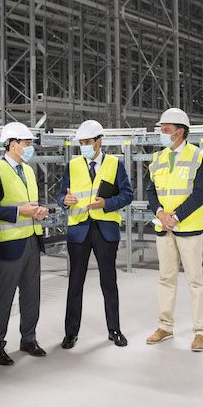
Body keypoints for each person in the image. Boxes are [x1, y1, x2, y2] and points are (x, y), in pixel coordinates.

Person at [56, 120, 134, 349]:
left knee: (109, 282)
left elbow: (127, 195)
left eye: (88, 142)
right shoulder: (72, 165)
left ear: (99, 141)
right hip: (78, 230)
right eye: (81, 143)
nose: (84, 146)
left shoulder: (115, 164)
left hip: (105, 230)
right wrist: (64, 201)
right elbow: (62, 196)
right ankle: (71, 333)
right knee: (75, 283)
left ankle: (114, 330)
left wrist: (106, 203)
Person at [0, 122, 49, 365]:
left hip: (31, 239)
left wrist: (38, 211)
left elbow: (29, 203)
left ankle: (28, 338)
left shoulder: (28, 170)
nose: (30, 148)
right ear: (12, 144)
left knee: (32, 294)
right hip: (9, 245)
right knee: (5, 297)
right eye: (26, 143)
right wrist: (20, 211)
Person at [145, 108, 203, 352]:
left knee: (195, 281)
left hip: (188, 228)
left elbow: (200, 193)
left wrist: (177, 215)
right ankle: (165, 327)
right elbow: (151, 191)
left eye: (166, 129)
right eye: (161, 129)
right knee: (166, 278)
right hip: (164, 227)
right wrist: (160, 214)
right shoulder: (157, 158)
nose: (162, 133)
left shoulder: (199, 156)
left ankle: (200, 333)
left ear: (180, 131)